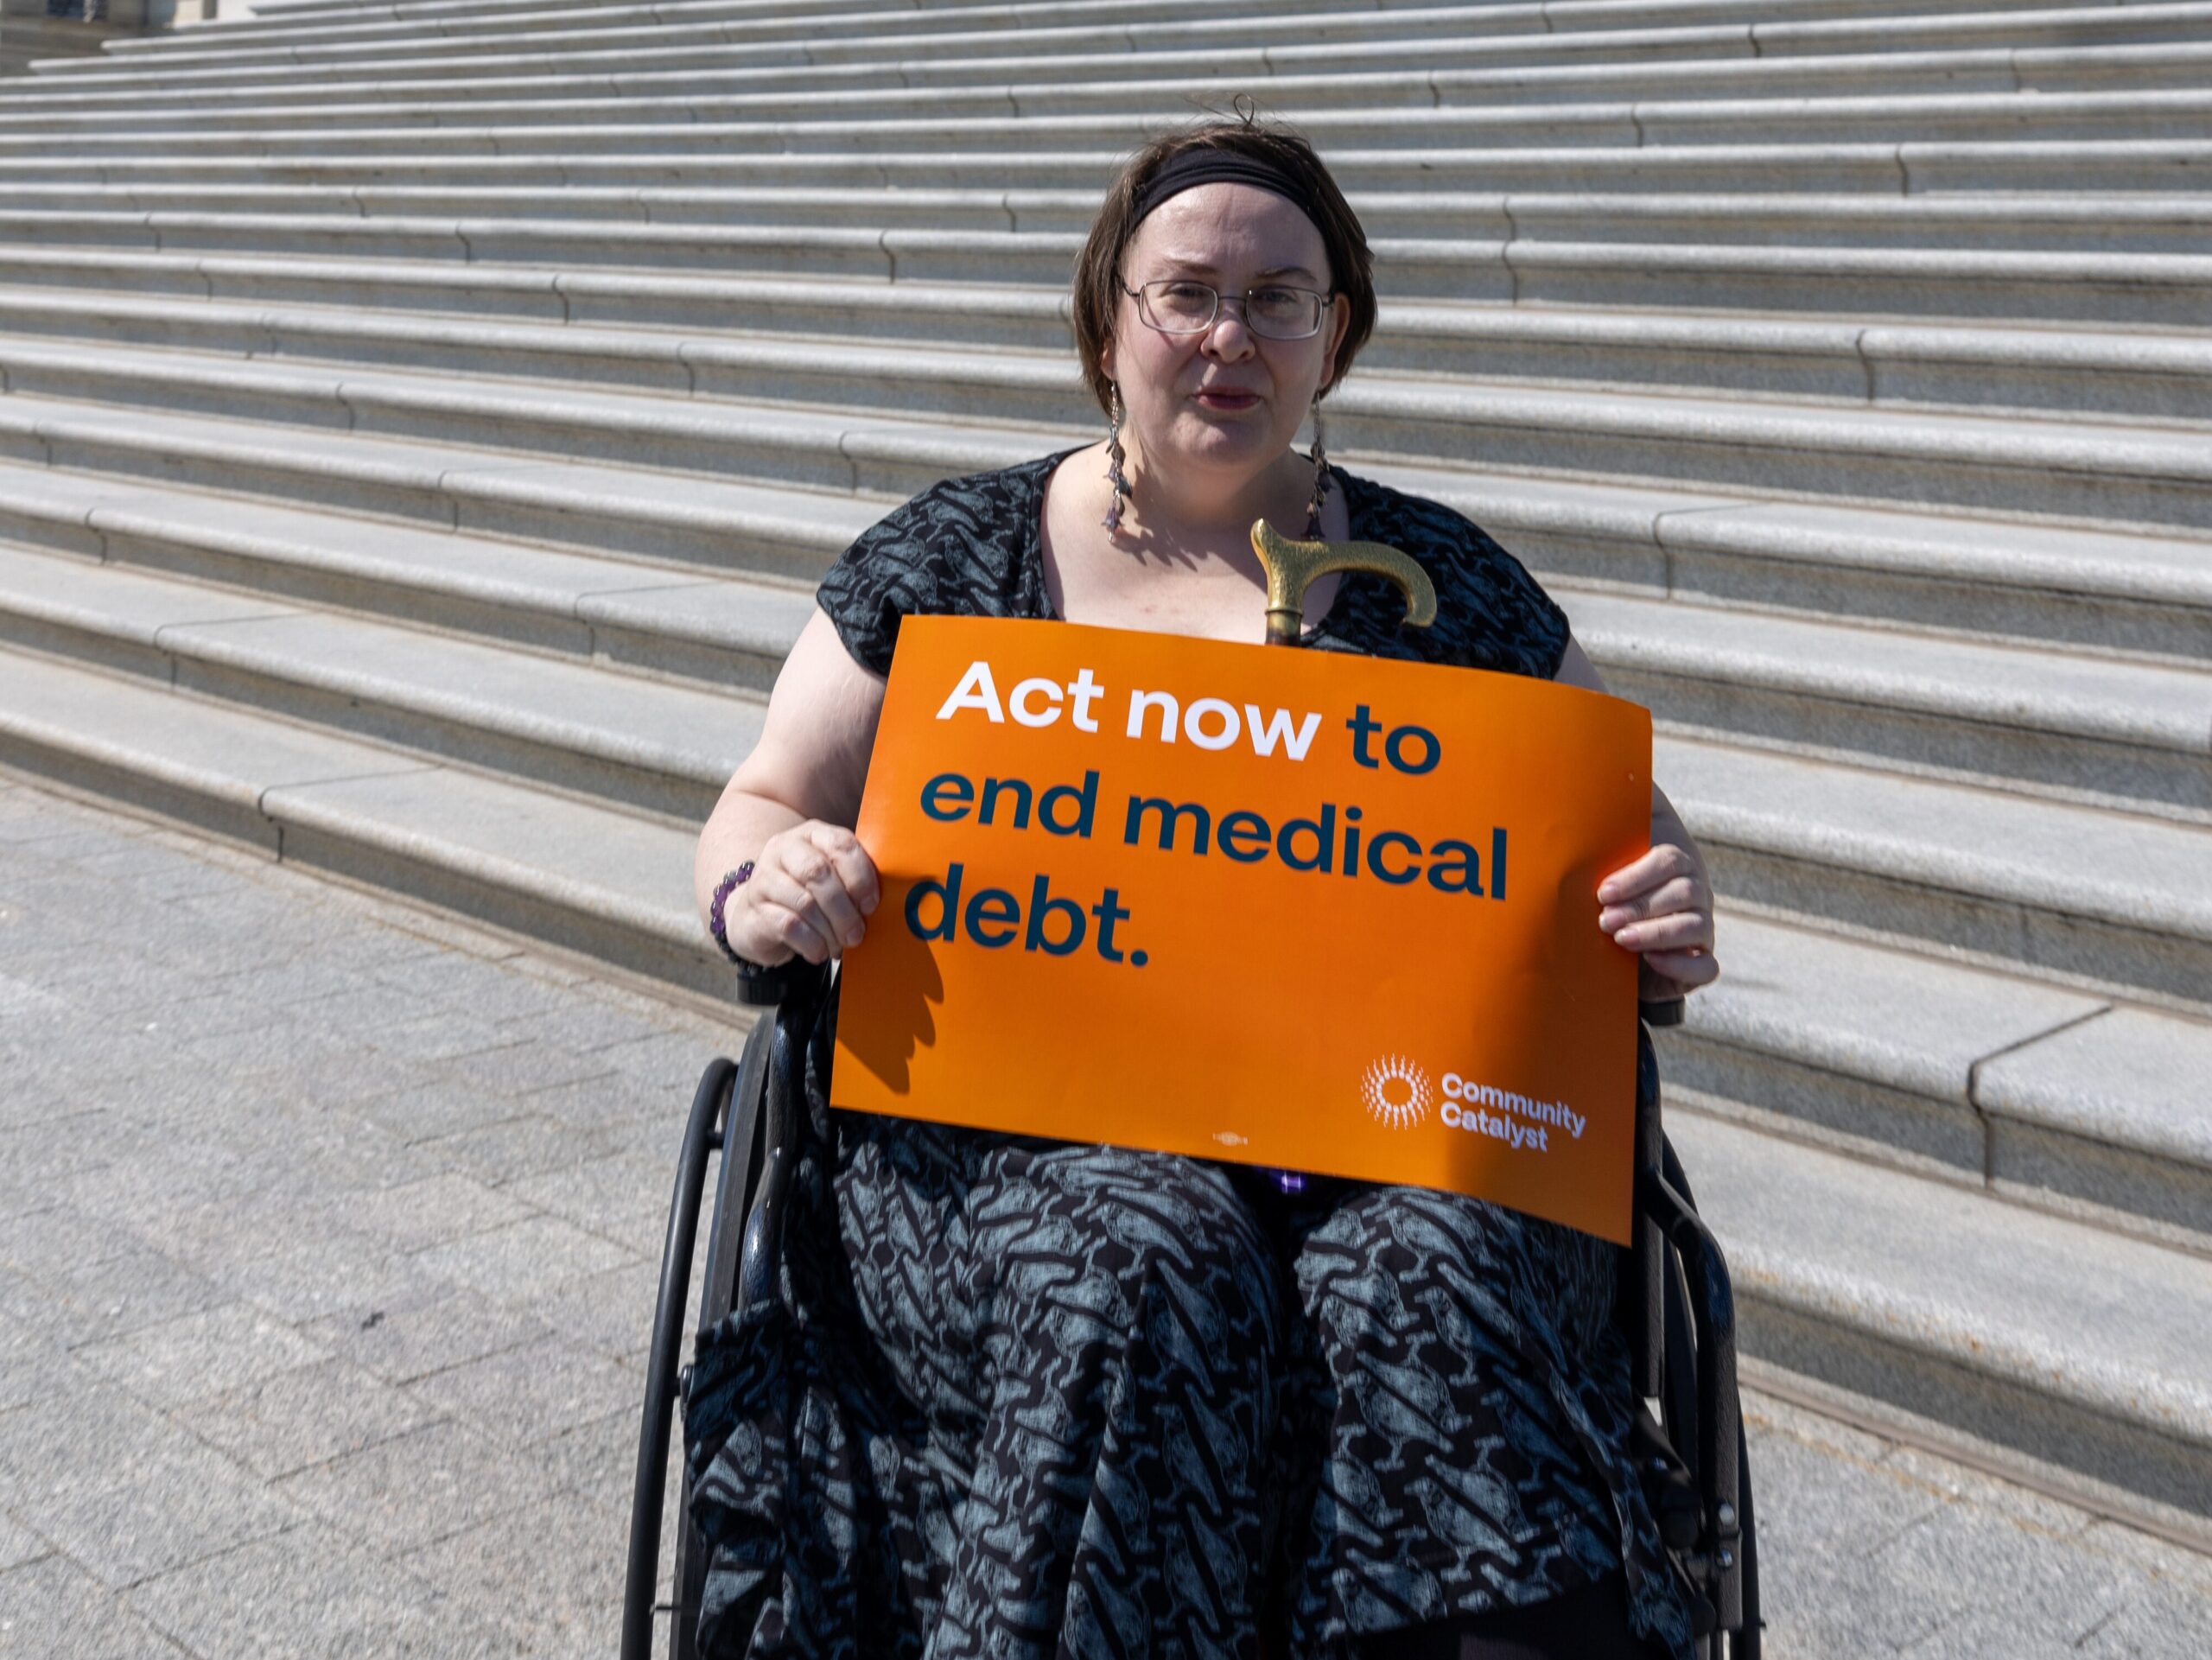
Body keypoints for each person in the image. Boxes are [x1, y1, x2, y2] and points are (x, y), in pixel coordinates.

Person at [684, 112, 1719, 1660]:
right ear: (1113, 322)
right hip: (1017, 1145)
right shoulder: (953, 561)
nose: (1230, 336)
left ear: (1333, 337)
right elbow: (759, 803)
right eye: (1187, 294)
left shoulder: (1454, 588)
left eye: (1280, 300)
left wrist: (1664, 912)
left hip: (1389, 1148)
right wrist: (773, 882)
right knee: (1137, 1253)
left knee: (1424, 1270)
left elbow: (1635, 839)